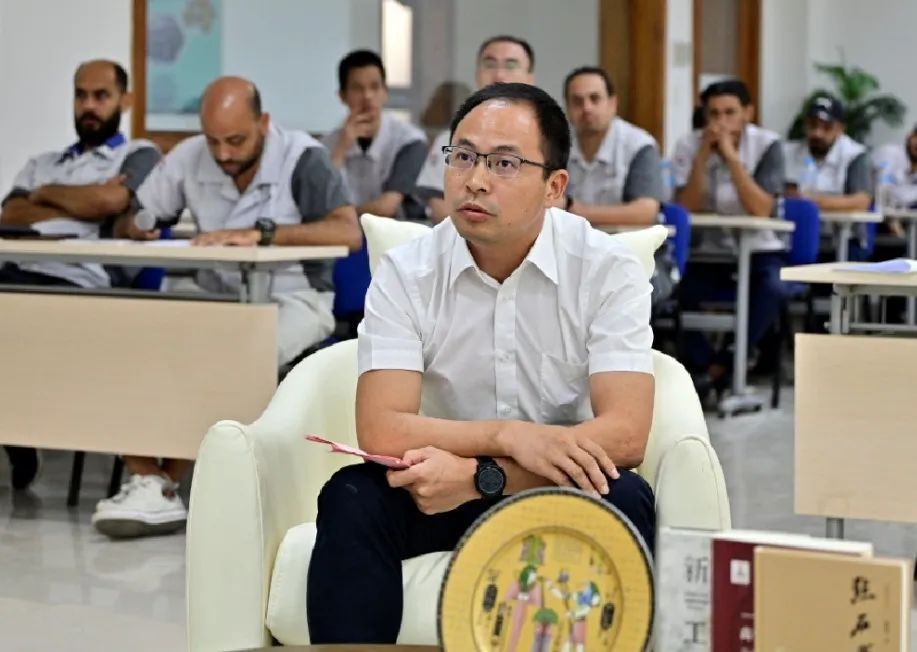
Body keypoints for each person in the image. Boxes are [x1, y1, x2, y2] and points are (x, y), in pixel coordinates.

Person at [306, 83, 656, 644]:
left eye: (504, 164)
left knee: (625, 497)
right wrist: (507, 437)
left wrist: (481, 478)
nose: (475, 179)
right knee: (353, 496)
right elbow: (381, 427)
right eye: (463, 156)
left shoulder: (607, 269)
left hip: (550, 481)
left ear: (554, 187)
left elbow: (625, 434)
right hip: (433, 483)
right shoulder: (406, 271)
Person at [92, 76, 360, 538]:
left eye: (236, 140)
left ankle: (164, 485)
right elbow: (134, 216)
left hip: (293, 297)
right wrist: (137, 224)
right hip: (214, 297)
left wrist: (263, 234)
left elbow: (348, 232)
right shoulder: (190, 156)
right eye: (213, 141)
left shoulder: (302, 157)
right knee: (128, 343)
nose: (223, 154)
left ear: (264, 122)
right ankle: (148, 477)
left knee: (227, 359)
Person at [0, 59, 160, 491]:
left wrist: (45, 195)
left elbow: (111, 202)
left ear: (125, 100)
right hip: (17, 272)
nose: (89, 105)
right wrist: (84, 202)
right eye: (81, 95)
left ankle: (18, 428)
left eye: (101, 96)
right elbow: (10, 214)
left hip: (83, 283)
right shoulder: (42, 162)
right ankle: (14, 430)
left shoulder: (140, 154)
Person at [672, 79, 786, 393]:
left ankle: (724, 363)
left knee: (773, 288)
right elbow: (685, 208)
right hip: (706, 250)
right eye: (713, 114)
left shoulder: (768, 145)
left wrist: (732, 158)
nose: (721, 122)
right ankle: (702, 365)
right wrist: (702, 157)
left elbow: (761, 208)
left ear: (748, 112)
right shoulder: (688, 144)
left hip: (760, 248)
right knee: (673, 288)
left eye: (730, 113)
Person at [415, 35, 536, 223]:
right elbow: (438, 205)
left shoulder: (545, 139)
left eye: (511, 66)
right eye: (490, 65)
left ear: (529, 78)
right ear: (477, 74)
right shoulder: (450, 139)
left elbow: (554, 204)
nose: (499, 75)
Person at [323, 50, 427, 219]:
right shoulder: (327, 145)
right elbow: (321, 201)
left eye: (374, 87)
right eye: (357, 88)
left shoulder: (410, 141)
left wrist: (339, 214)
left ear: (385, 92)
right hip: (345, 231)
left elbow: (387, 207)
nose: (367, 96)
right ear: (342, 96)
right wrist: (341, 150)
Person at [564, 66, 664, 226]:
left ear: (613, 104)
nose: (587, 108)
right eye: (577, 101)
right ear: (567, 108)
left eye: (595, 99)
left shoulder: (639, 145)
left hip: (625, 239)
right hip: (570, 238)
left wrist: (572, 210)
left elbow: (645, 212)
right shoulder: (554, 142)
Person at [784, 96, 871, 214]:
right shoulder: (787, 152)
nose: (817, 133)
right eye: (812, 125)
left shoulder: (854, 154)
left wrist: (808, 202)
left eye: (827, 127)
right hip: (795, 223)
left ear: (840, 129)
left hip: (840, 225)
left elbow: (861, 202)